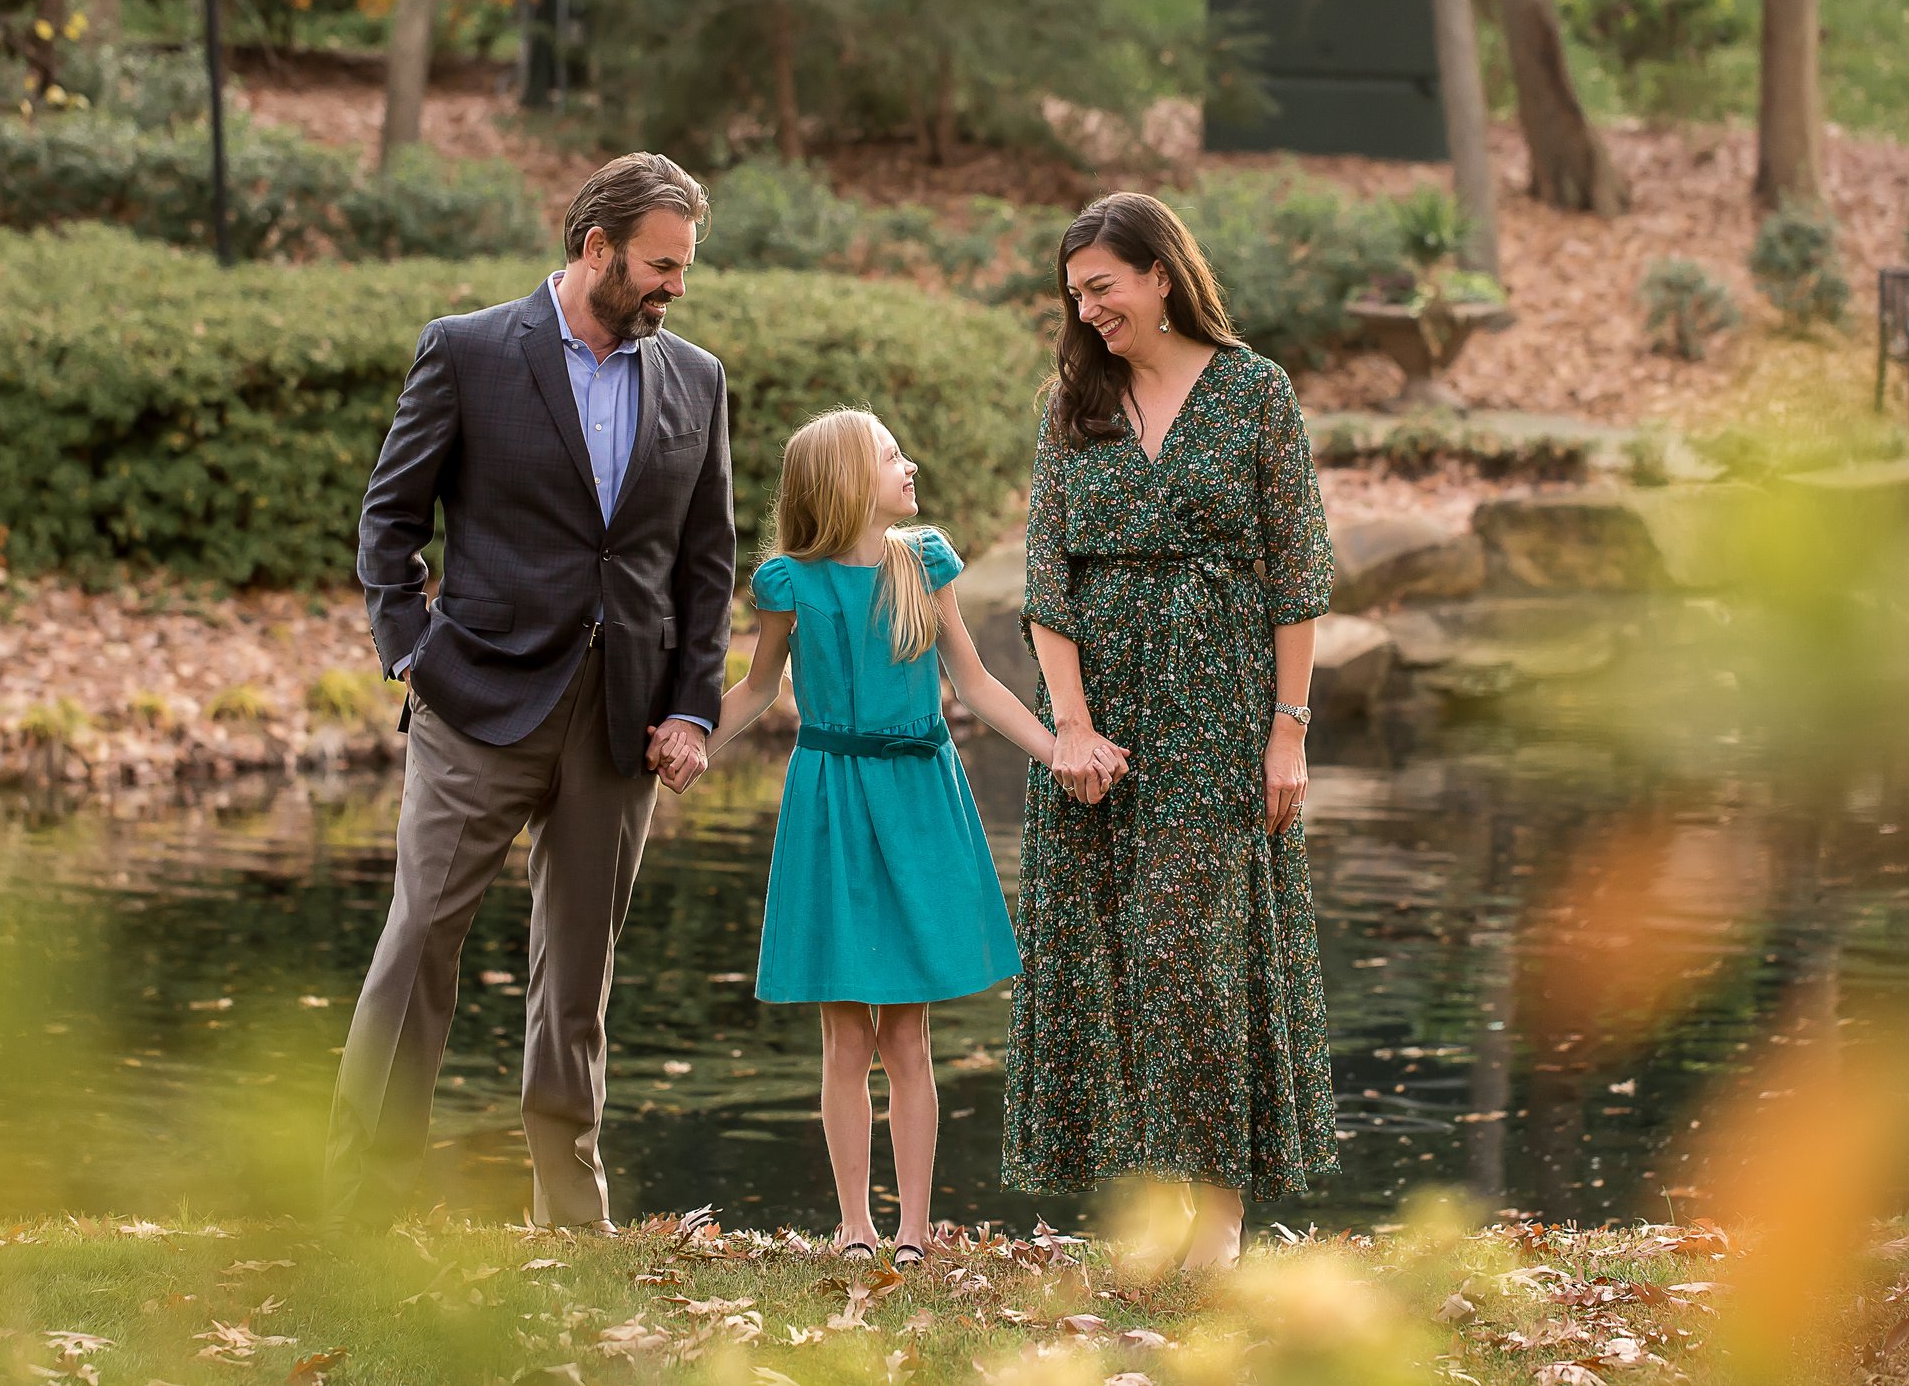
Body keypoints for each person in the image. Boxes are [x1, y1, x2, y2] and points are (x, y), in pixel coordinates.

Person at [324, 152, 736, 1228]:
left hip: (623, 721)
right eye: (658, 264)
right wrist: (413, 649)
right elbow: (388, 524)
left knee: (578, 980)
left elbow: (704, 560)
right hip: (477, 705)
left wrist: (694, 704)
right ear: (593, 248)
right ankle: (362, 1208)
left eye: (683, 267)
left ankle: (568, 1213)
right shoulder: (466, 351)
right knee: (418, 946)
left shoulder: (696, 378)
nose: (673, 286)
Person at [1001, 191, 1340, 1274]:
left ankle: (1221, 1215)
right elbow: (1047, 579)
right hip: (1102, 722)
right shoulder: (1074, 403)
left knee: (1199, 955)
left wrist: (1285, 733)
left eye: (1103, 285)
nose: (1089, 308)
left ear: (1159, 273)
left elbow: (1297, 572)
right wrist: (1071, 727)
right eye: (1075, 294)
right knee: (1114, 958)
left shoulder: (1253, 392)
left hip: (1218, 714)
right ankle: (1155, 1210)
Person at [696, 409, 1055, 1267]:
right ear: (848, 481)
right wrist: (687, 743)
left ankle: (912, 1230)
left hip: (921, 802)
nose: (911, 462)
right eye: (893, 454)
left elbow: (972, 682)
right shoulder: (790, 583)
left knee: (907, 1034)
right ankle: (854, 1224)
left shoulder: (922, 563)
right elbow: (754, 690)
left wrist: (1058, 749)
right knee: (846, 1035)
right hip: (831, 801)